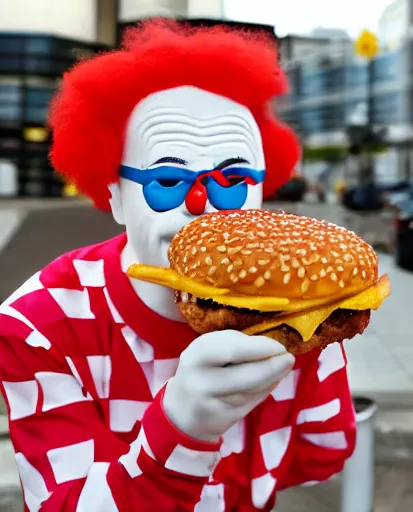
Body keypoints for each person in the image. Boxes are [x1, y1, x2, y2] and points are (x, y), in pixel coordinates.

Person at [0, 20, 356, 512]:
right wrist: (180, 430)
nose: (202, 204)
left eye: (230, 179)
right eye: (167, 179)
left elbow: (323, 453)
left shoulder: (305, 307)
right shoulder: (38, 324)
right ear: (115, 196)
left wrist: (310, 340)